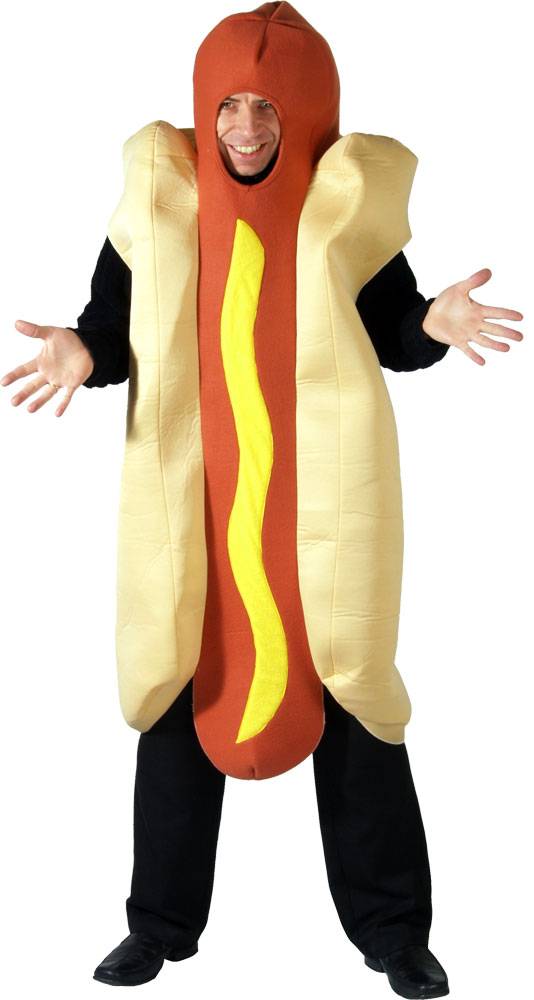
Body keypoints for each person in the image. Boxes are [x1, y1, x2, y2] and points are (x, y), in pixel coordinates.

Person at [1, 3, 524, 997]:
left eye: (270, 108)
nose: (246, 127)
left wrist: (433, 321)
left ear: (309, 115)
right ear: (205, 110)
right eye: (230, 105)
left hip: (323, 512)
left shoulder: (342, 210)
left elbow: (394, 330)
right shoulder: (157, 208)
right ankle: (157, 925)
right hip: (195, 507)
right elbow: (111, 328)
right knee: (176, 687)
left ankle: (394, 932)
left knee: (354, 689)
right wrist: (80, 352)